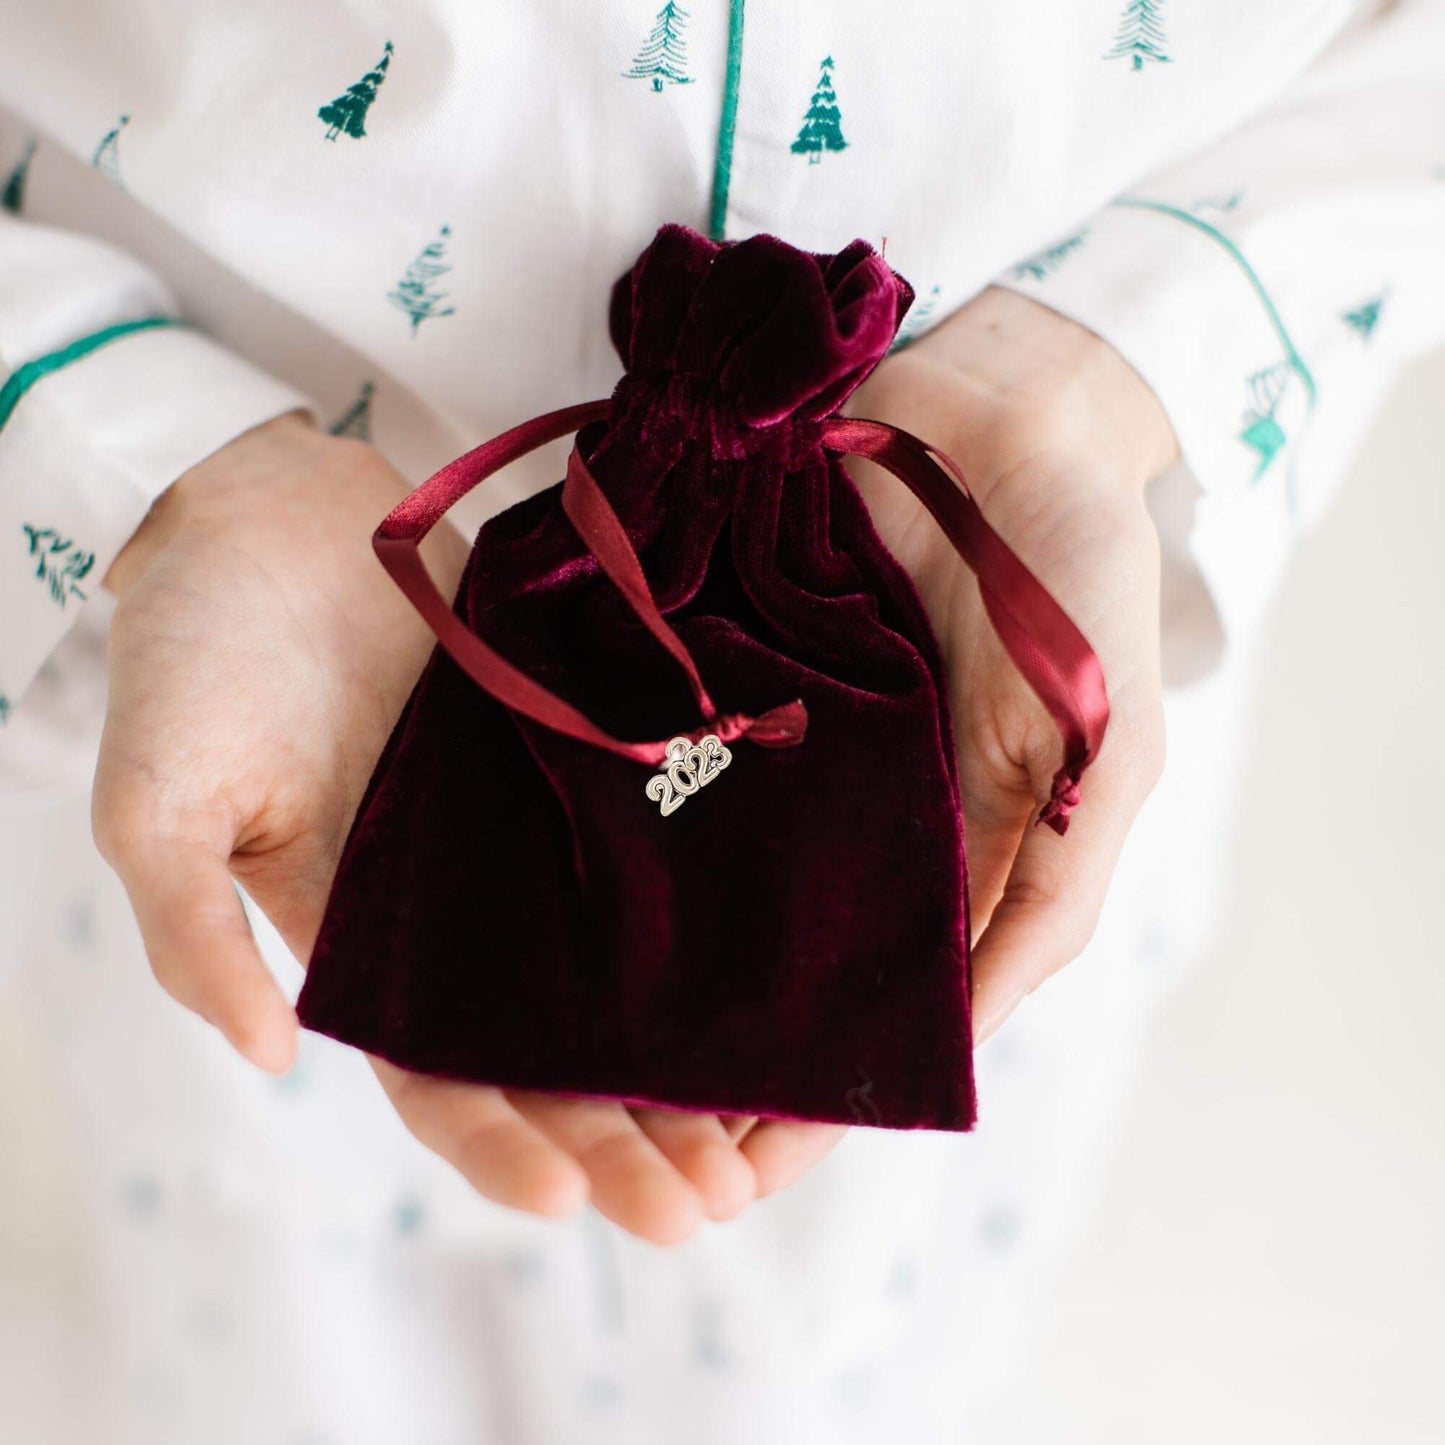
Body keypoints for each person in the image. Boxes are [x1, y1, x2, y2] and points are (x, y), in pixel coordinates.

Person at [0, 2, 1441, 1440]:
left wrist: (1102, 368)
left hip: (978, 663)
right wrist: (133, 435)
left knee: (880, 1337)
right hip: (221, 678)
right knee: (285, 1321)